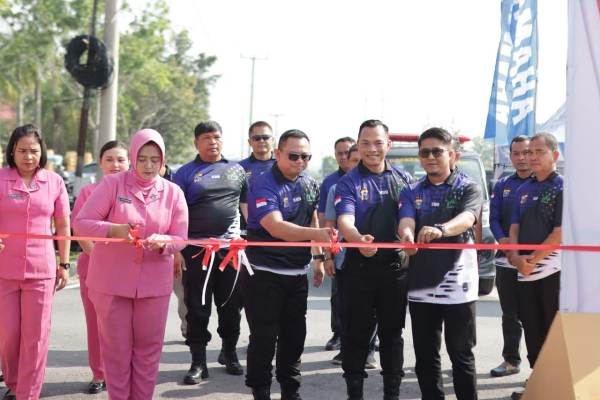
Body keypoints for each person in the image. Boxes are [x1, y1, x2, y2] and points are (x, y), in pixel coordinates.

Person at [73, 128, 189, 400]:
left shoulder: (173, 193)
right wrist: (115, 230)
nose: (148, 165)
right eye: (143, 158)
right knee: (116, 352)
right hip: (111, 284)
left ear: (163, 161)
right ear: (134, 157)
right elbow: (82, 222)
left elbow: (181, 237)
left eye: (155, 159)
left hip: (153, 285)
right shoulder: (113, 185)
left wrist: (166, 242)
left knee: (148, 352)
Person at [242, 129, 332, 400]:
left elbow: (313, 220)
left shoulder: (309, 182)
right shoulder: (262, 183)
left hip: (296, 275)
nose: (299, 161)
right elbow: (275, 226)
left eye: (305, 156)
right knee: (264, 338)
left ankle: (290, 392)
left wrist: (318, 257)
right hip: (263, 274)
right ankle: (260, 391)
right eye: (293, 155)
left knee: (294, 337)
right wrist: (317, 236)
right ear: (278, 153)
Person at [398, 127, 483, 400]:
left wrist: (442, 230)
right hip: (421, 284)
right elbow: (407, 220)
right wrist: (407, 235)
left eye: (437, 151)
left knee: (461, 353)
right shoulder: (411, 190)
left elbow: (468, 218)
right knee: (425, 355)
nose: (431, 157)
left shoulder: (468, 187)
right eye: (425, 152)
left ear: (452, 154)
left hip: (458, 284)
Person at [335, 120, 411, 400]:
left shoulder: (403, 180)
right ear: (358, 145)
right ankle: (354, 393)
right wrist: (356, 238)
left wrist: (407, 234)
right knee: (356, 335)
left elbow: (409, 218)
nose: (372, 149)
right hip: (359, 269)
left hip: (395, 269)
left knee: (393, 335)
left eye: (378, 142)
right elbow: (345, 219)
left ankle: (392, 393)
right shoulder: (349, 181)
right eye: (365, 143)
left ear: (388, 145)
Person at [173, 121, 248, 383]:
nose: (212, 142)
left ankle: (229, 353)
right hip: (195, 251)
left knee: (230, 307)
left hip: (230, 252)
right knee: (197, 308)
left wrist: (248, 240)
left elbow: (245, 208)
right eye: (206, 138)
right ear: (196, 143)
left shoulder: (237, 170)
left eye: (216, 137)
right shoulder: (184, 173)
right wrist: (176, 249)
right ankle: (198, 362)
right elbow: (175, 214)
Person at [0, 124, 71, 400]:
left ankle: (28, 393)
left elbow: (63, 225)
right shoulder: (1, 178)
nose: (28, 156)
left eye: (33, 151)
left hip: (42, 270)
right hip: (4, 269)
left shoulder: (54, 182)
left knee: (36, 335)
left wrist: (64, 264)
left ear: (42, 153)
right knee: (9, 334)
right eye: (22, 151)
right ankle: (15, 383)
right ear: (12, 152)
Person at [507, 133, 562, 400]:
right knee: (530, 325)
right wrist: (517, 259)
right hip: (523, 270)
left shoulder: (562, 188)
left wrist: (533, 261)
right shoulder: (523, 189)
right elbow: (513, 228)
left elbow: (559, 234)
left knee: (553, 327)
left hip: (552, 269)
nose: (532, 157)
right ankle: (537, 378)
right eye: (530, 152)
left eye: (539, 152)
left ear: (555, 155)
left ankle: (556, 383)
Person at [72, 140, 129, 395]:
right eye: (109, 159)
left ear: (129, 162)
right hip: (93, 267)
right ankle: (99, 373)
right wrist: (102, 260)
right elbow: (80, 231)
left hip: (129, 269)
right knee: (97, 324)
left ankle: (124, 372)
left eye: (120, 159)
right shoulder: (88, 192)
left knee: (127, 326)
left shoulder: (136, 193)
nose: (115, 164)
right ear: (100, 162)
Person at [323, 144, 379, 368]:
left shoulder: (379, 186)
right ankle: (346, 349)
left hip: (373, 258)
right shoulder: (336, 189)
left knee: (372, 309)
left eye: (360, 160)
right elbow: (329, 224)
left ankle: (368, 352)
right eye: (353, 160)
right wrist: (327, 256)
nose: (357, 164)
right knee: (344, 306)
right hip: (344, 258)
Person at [488, 136, 531, 378]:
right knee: (510, 314)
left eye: (527, 152)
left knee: (537, 316)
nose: (522, 158)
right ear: (511, 156)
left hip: (538, 262)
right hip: (505, 260)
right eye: (517, 153)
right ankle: (511, 360)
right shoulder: (502, 185)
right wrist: (503, 241)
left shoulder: (545, 184)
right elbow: (493, 218)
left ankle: (543, 366)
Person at [319, 136, 356, 351]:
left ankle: (371, 340)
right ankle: (338, 334)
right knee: (339, 297)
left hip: (368, 250)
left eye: (347, 153)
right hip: (340, 249)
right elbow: (325, 220)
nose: (344, 157)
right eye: (340, 153)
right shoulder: (331, 184)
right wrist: (327, 254)